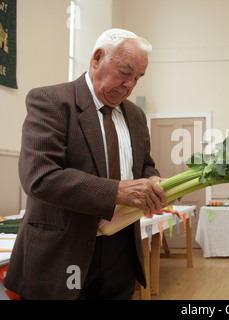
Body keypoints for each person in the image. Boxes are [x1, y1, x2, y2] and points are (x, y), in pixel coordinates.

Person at [5, 29, 166, 300]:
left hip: (121, 254)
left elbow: (145, 167)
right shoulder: (52, 101)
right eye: (125, 72)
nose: (130, 85)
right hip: (61, 252)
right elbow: (40, 178)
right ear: (97, 58)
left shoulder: (136, 116)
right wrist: (118, 192)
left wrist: (153, 180)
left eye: (137, 78)